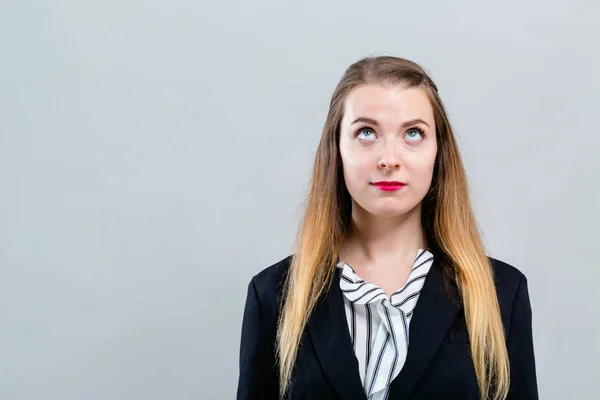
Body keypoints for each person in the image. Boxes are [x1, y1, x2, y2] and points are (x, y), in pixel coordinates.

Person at [236, 56, 538, 400]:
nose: (389, 159)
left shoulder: (502, 292)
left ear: (438, 152)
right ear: (336, 149)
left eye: (413, 133)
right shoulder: (274, 294)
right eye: (366, 133)